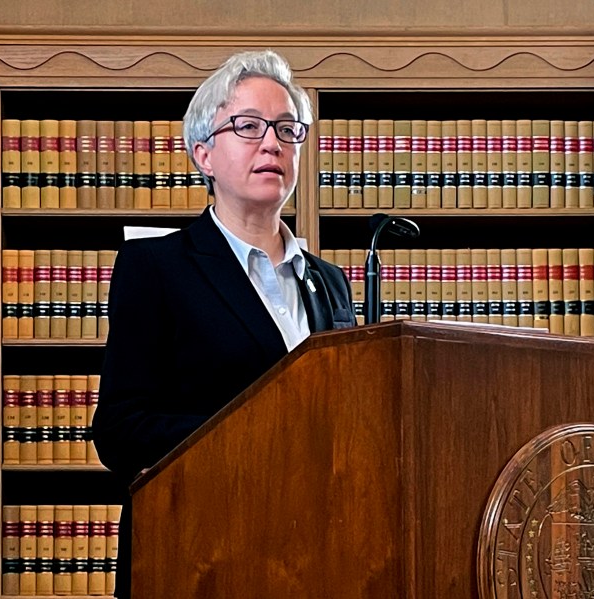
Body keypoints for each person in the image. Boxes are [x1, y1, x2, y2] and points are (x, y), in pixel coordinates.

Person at [92, 49, 356, 598]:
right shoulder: (157, 268)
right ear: (203, 155)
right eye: (248, 126)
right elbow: (121, 431)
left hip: (321, 557)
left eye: (287, 128)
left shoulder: (330, 283)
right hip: (200, 555)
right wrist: (262, 432)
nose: (272, 143)